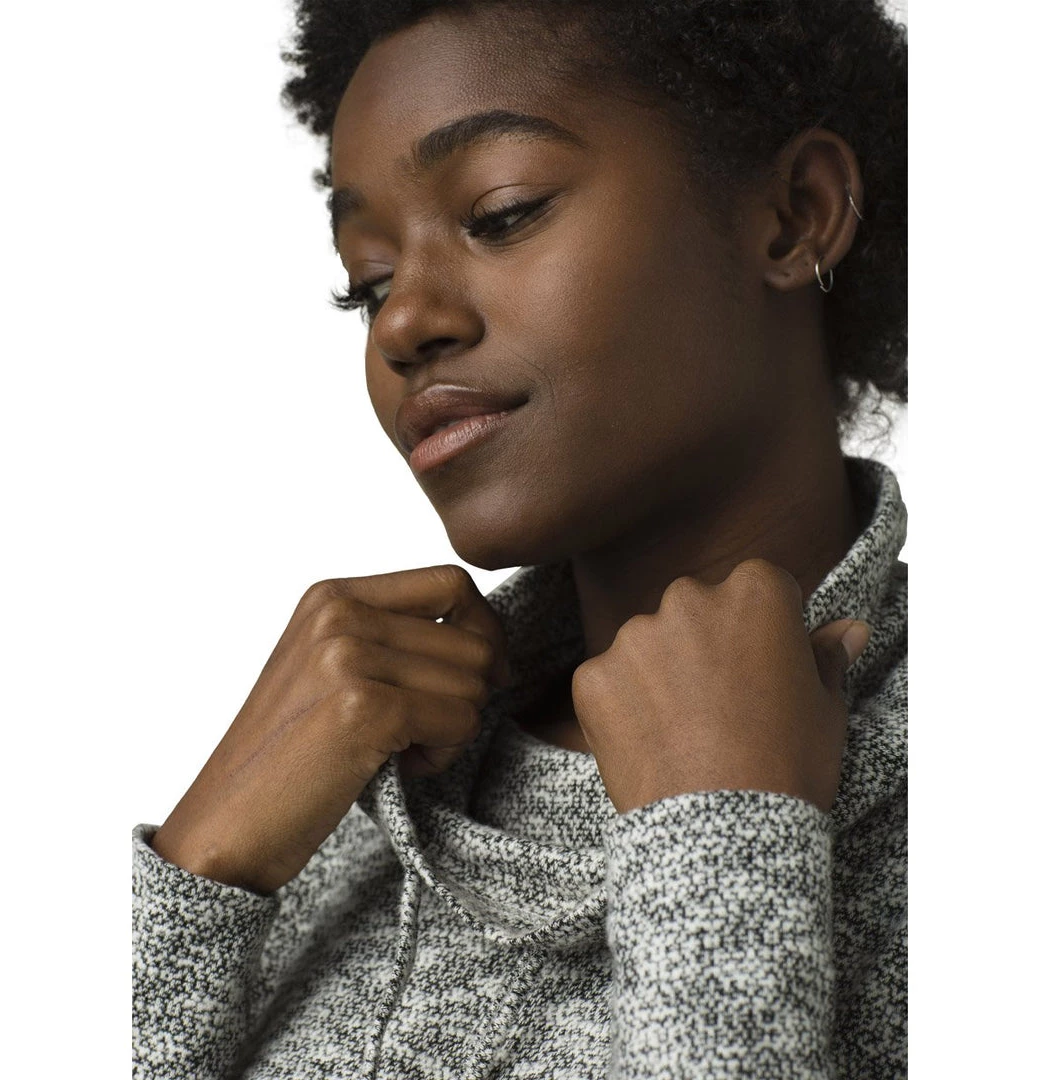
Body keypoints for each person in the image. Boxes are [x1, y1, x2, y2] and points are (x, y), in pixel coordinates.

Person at [132, 1, 908, 1077]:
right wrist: (199, 879)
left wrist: (721, 843)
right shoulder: (351, 799)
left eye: (501, 214)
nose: (402, 324)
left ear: (793, 216)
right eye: (368, 284)